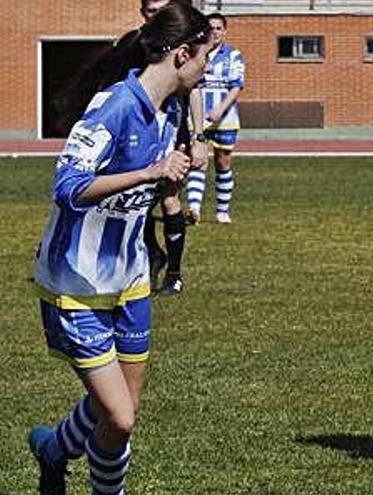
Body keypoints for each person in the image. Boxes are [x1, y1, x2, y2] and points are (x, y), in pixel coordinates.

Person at [26, 4, 210, 494]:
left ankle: (51, 450)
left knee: (118, 413)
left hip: (130, 279)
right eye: (206, 58)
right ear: (183, 54)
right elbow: (67, 186)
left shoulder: (170, 110)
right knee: (121, 418)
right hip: (76, 283)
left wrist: (182, 167)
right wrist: (149, 173)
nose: (208, 69)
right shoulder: (114, 106)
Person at [139, 0, 210, 295]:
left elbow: (193, 92)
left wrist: (199, 136)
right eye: (152, 10)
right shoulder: (138, 45)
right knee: (139, 201)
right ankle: (151, 255)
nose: (158, 14)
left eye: (162, 8)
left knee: (169, 197)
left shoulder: (185, 47)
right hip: (143, 129)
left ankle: (174, 273)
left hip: (174, 130)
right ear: (143, 12)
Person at [186, 12, 245, 225]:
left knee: (223, 162)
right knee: (197, 161)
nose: (215, 32)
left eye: (219, 28)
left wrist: (221, 108)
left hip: (225, 117)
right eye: (211, 28)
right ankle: (194, 209)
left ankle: (222, 211)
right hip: (197, 117)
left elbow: (237, 86)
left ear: (225, 31)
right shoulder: (196, 53)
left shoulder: (233, 55)